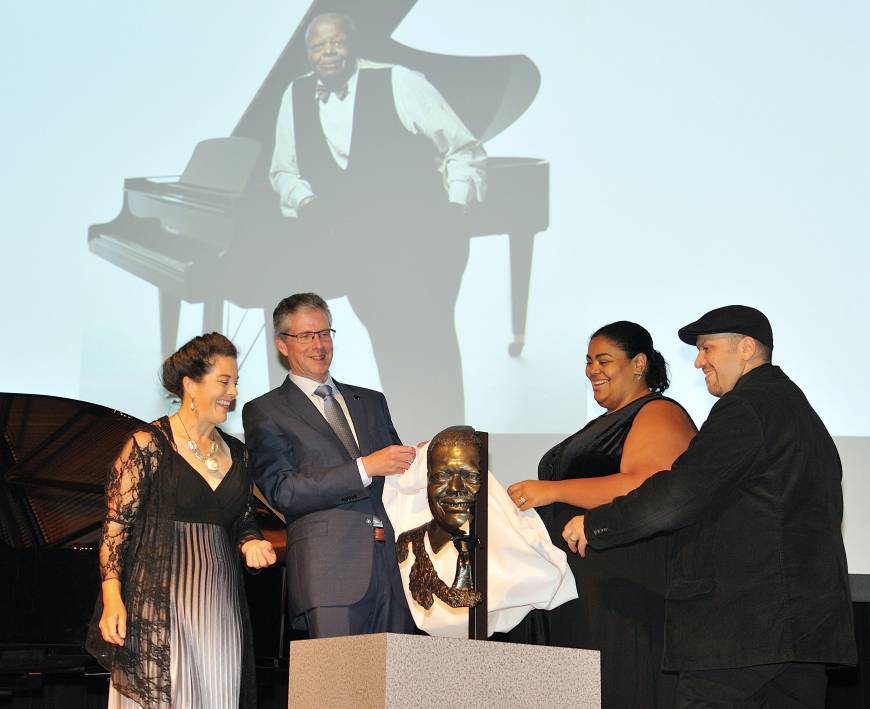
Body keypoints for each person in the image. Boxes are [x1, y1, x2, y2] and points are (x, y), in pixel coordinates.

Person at [567, 306, 857, 707]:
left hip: (742, 633)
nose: (699, 361)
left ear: (747, 348)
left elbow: (681, 492)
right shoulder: (804, 415)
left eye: (707, 349)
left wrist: (597, 525)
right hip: (806, 636)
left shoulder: (746, 407)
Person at [269, 11, 487, 442]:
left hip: (424, 241)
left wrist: (454, 208)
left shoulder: (400, 81)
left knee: (433, 341)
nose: (327, 53)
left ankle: (456, 452)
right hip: (362, 250)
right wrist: (307, 202)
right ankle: (411, 445)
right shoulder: (294, 96)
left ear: (352, 45)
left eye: (336, 44)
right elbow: (283, 171)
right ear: (308, 54)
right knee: (390, 344)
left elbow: (461, 147)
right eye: (318, 47)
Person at [507, 321, 697, 709]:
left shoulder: (658, 412)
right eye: (589, 360)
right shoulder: (608, 421)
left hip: (626, 587)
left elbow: (649, 485)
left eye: (604, 360)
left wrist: (553, 490)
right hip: (582, 587)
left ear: (639, 363)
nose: (592, 369)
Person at [85, 333, 277, 709]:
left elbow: (242, 519)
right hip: (160, 603)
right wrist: (112, 599)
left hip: (220, 606)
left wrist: (252, 541)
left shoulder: (238, 453)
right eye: (224, 381)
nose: (233, 392)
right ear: (190, 384)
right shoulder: (149, 444)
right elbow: (115, 529)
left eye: (235, 382)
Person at [242, 292, 417, 638]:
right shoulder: (265, 410)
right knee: (337, 690)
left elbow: (393, 471)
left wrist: (419, 457)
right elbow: (284, 491)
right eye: (306, 336)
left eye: (324, 333)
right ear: (282, 344)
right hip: (330, 576)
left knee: (397, 687)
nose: (318, 345)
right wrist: (364, 467)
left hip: (394, 570)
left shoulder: (370, 400)